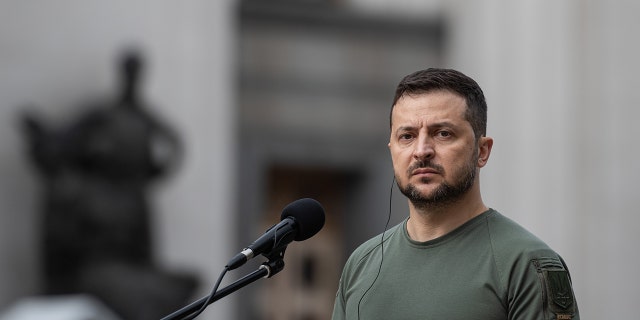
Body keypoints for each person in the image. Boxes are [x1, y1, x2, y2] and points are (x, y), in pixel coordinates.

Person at [331, 68, 579, 319]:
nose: (422, 150)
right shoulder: (361, 264)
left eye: (443, 133)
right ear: (392, 149)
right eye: (407, 136)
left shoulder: (527, 264)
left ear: (482, 151)